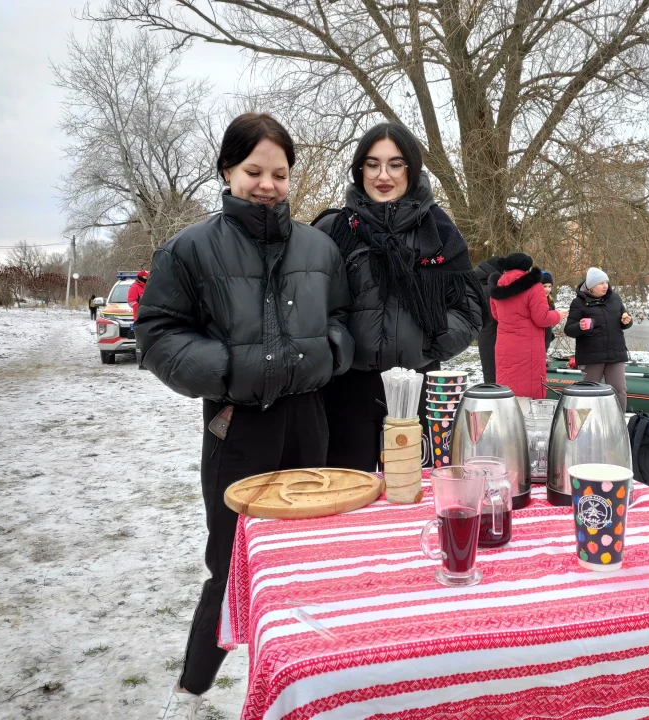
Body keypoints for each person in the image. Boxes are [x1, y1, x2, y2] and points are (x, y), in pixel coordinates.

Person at [136, 113, 353, 720]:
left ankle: (311, 682)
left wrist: (329, 353)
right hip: (237, 424)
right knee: (232, 561)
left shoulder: (319, 246)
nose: (267, 184)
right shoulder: (188, 249)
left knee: (309, 555)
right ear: (227, 170)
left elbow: (342, 321)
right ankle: (193, 689)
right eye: (254, 170)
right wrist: (234, 369)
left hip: (309, 419)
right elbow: (157, 333)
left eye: (280, 173)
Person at [313, 123, 482, 471]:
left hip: (419, 389)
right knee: (349, 498)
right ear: (360, 169)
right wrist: (334, 348)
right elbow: (307, 307)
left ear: (412, 168)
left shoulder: (440, 232)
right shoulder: (332, 230)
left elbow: (469, 308)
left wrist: (429, 340)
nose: (383, 175)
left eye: (395, 164)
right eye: (372, 164)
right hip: (346, 392)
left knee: (413, 496)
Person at [488, 253, 567, 399]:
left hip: (505, 345)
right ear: (527, 267)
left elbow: (496, 316)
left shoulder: (498, 286)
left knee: (508, 389)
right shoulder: (534, 286)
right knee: (529, 392)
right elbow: (542, 318)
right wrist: (558, 315)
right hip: (528, 347)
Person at [564, 267, 633, 412]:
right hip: (591, 356)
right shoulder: (578, 302)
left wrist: (626, 321)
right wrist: (580, 326)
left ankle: (619, 425)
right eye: (600, 283)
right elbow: (569, 329)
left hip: (615, 353)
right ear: (591, 286)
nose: (605, 286)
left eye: (606, 282)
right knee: (589, 392)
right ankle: (588, 427)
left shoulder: (615, 299)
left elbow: (624, 320)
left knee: (619, 390)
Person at [474, 255, 503, 383]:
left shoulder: (478, 282)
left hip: (484, 333)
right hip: (493, 332)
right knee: (494, 373)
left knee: (490, 372)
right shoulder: (490, 287)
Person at [127, 270, 150, 368]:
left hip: (149, 317)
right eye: (145, 277)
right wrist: (141, 308)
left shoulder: (149, 286)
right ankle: (141, 363)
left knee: (148, 340)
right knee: (140, 341)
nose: (147, 279)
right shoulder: (134, 287)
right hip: (139, 318)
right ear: (141, 277)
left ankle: (149, 362)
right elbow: (131, 301)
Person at [541, 271, 556, 352]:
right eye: (544, 286)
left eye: (550, 286)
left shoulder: (550, 301)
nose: (547, 289)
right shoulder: (535, 301)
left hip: (546, 338)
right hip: (538, 339)